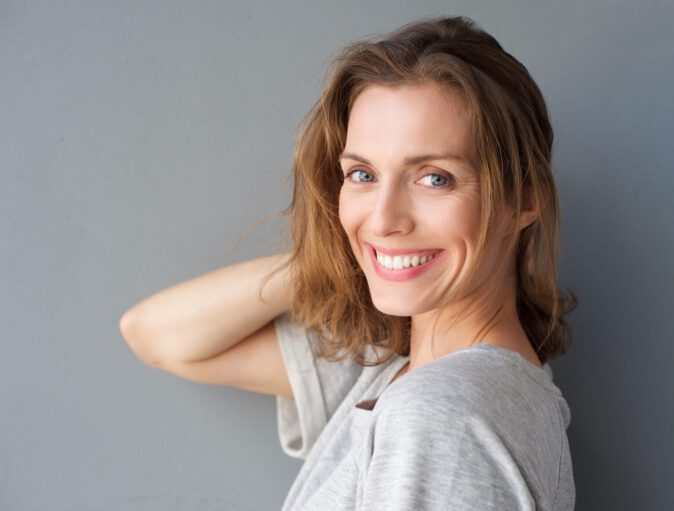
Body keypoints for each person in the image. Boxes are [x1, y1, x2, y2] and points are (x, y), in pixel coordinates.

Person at [120, 15, 577, 511]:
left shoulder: (442, 414)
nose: (383, 219)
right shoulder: (393, 371)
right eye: (362, 174)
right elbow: (155, 334)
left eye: (435, 178)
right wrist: (338, 255)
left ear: (526, 198)